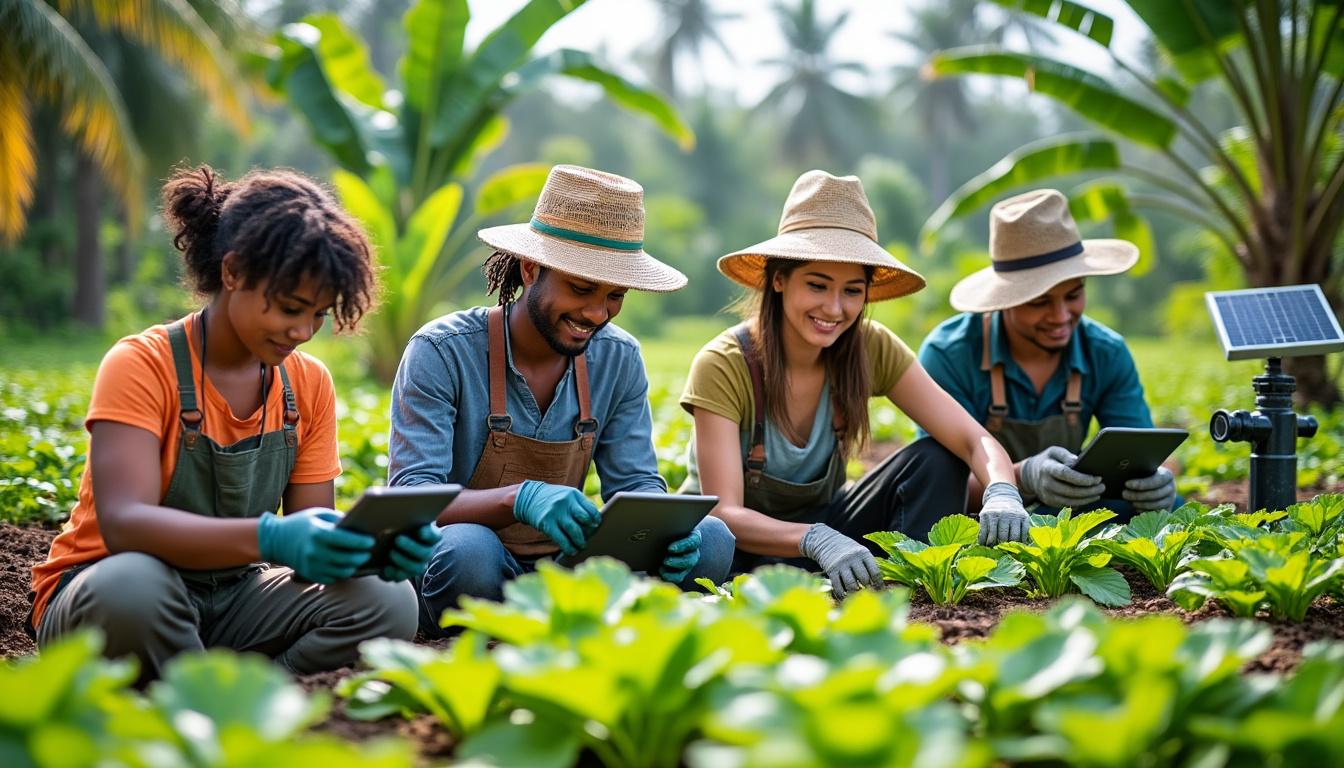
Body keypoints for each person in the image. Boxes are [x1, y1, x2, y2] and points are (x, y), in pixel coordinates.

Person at [28, 166, 428, 682]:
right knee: (134, 588)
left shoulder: (306, 384)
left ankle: (259, 697)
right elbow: (126, 525)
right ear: (233, 271)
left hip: (237, 594)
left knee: (387, 602)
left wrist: (368, 553)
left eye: (319, 315)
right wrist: (272, 538)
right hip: (108, 592)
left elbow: (308, 551)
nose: (303, 331)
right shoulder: (142, 364)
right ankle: (203, 697)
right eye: (290, 308)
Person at [389, 165, 735, 636]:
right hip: (471, 568)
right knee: (469, 551)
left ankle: (584, 624)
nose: (597, 313)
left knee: (711, 538)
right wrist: (518, 498)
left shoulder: (619, 357)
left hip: (568, 572)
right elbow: (410, 502)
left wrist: (668, 533)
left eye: (615, 295)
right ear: (531, 269)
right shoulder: (442, 352)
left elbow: (636, 483)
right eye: (580, 288)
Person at [679, 170, 1027, 600]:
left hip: (829, 533)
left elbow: (972, 438)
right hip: (736, 552)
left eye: (852, 291)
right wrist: (815, 539)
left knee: (938, 456)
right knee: (712, 544)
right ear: (779, 279)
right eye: (817, 285)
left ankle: (909, 587)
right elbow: (726, 513)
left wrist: (1002, 489)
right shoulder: (726, 364)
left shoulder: (870, 348)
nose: (834, 308)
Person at [918, 188, 1176, 522]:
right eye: (1039, 302)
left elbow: (1138, 455)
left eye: (1074, 295)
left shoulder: (1106, 352)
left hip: (1070, 511)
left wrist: (1156, 482)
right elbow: (935, 486)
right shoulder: (950, 354)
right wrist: (1022, 480)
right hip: (979, 515)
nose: (1060, 316)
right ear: (1004, 299)